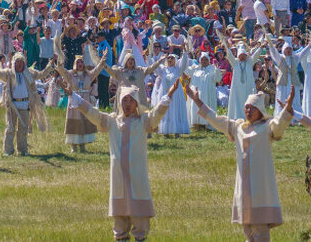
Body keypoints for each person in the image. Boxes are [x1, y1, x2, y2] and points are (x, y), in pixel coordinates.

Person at [68, 82, 178, 242]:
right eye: (124, 100)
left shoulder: (143, 122)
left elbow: (157, 113)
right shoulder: (112, 122)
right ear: (119, 102)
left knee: (140, 217)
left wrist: (170, 93)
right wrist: (73, 95)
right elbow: (94, 114)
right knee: (120, 219)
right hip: (119, 178)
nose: (127, 104)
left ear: (136, 103)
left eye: (130, 100)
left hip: (137, 178)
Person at [189, 85, 295, 242]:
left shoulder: (267, 127)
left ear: (260, 110)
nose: (248, 111)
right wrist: (197, 101)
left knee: (260, 227)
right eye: (246, 108)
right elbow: (215, 118)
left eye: (252, 108)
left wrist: (288, 106)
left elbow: (280, 124)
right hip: (244, 186)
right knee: (247, 229)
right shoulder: (238, 127)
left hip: (261, 187)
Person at [0, 52, 54, 156]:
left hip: (25, 104)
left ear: (24, 63)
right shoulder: (9, 74)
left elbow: (42, 74)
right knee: (10, 128)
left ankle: (22, 150)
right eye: (17, 62)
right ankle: (8, 151)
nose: (19, 64)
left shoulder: (29, 73)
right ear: (14, 63)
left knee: (23, 129)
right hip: (12, 105)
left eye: (21, 62)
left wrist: (51, 64)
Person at [53, 44, 107, 151]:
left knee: (84, 121)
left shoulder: (89, 75)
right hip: (74, 101)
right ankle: (73, 145)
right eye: (78, 62)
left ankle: (82, 145)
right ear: (74, 65)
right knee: (75, 122)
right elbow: (61, 70)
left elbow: (98, 69)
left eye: (81, 62)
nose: (80, 64)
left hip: (85, 101)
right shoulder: (70, 75)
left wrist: (103, 59)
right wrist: (59, 62)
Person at [224, 42, 260, 121]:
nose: (242, 57)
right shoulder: (235, 63)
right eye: (241, 55)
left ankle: (250, 117)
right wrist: (226, 45)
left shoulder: (249, 63)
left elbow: (256, 55)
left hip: (248, 88)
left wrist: (260, 48)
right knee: (238, 102)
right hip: (237, 89)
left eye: (244, 55)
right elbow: (229, 56)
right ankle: (237, 117)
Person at [187, 52, 222, 130]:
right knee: (195, 106)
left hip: (208, 94)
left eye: (206, 59)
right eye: (202, 59)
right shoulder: (195, 68)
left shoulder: (212, 68)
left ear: (209, 60)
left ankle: (206, 124)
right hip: (196, 93)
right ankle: (196, 124)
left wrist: (217, 69)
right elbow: (186, 70)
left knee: (206, 106)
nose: (204, 61)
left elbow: (218, 78)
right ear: (199, 60)